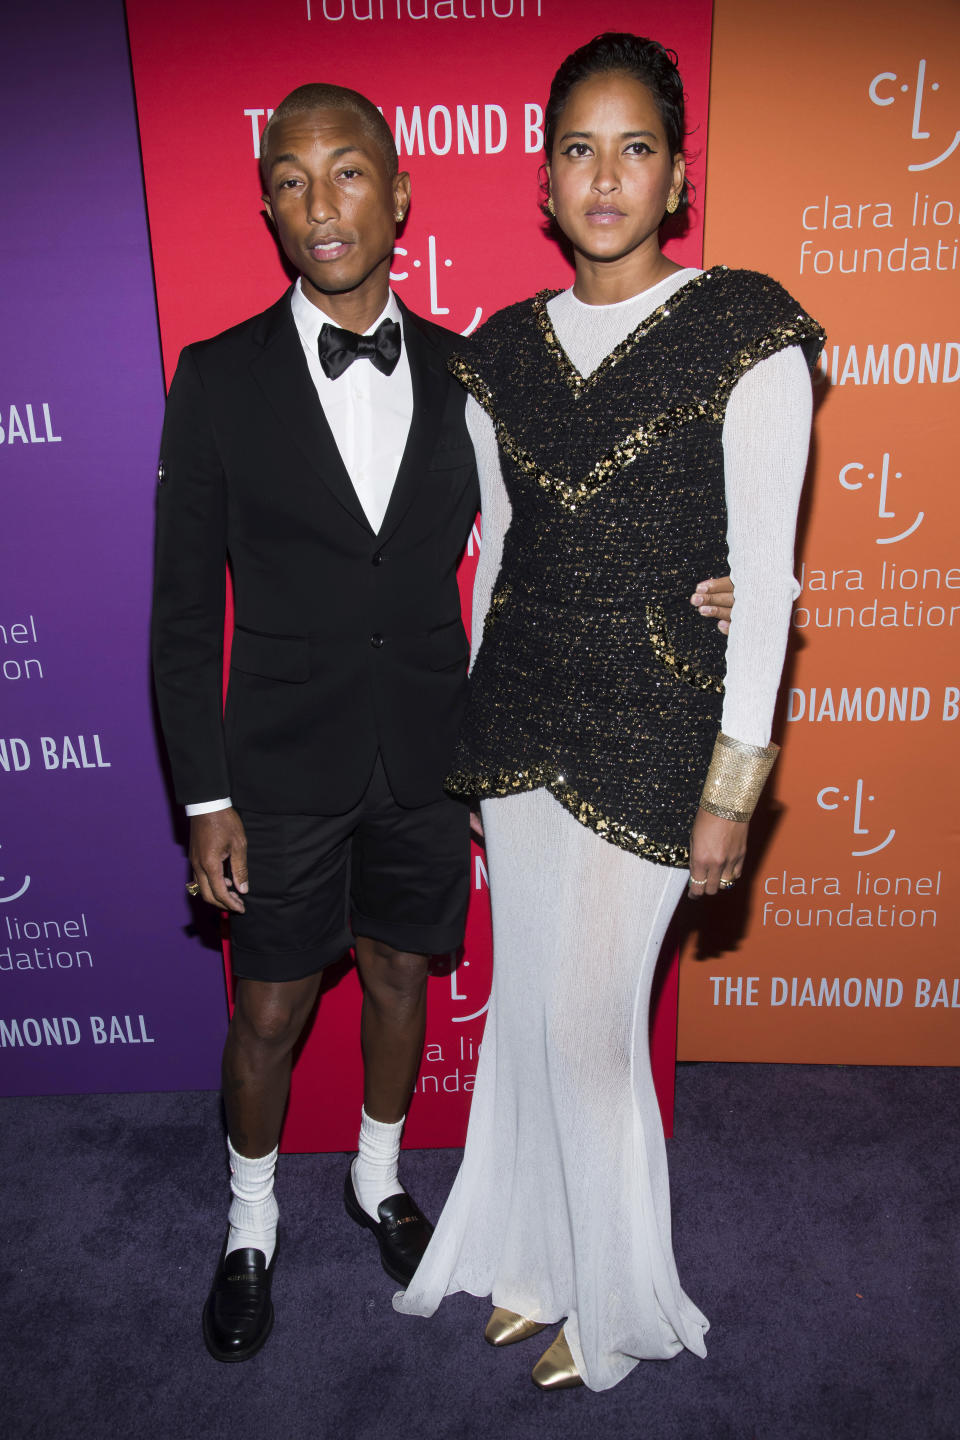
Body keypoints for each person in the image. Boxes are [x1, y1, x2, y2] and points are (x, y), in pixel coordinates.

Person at [151, 79, 734, 1365]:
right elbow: (184, 615)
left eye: (348, 173)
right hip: (282, 764)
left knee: (405, 978)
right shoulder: (216, 380)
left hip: (431, 750)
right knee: (270, 1010)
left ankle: (377, 1174)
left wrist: (718, 576)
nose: (323, 205)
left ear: (399, 192)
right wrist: (206, 799)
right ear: (266, 205)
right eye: (292, 181)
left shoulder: (478, 373)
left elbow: (571, 529)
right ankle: (250, 1223)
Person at [395, 33, 824, 1393]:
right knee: (528, 1016)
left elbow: (761, 584)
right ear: (542, 180)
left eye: (635, 147)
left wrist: (732, 791)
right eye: (578, 147)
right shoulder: (502, 354)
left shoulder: (746, 331)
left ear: (677, 173)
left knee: (589, 1027)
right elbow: (501, 560)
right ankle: (531, 1260)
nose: (605, 175)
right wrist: (473, 750)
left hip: (658, 730)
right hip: (517, 728)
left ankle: (622, 1302)